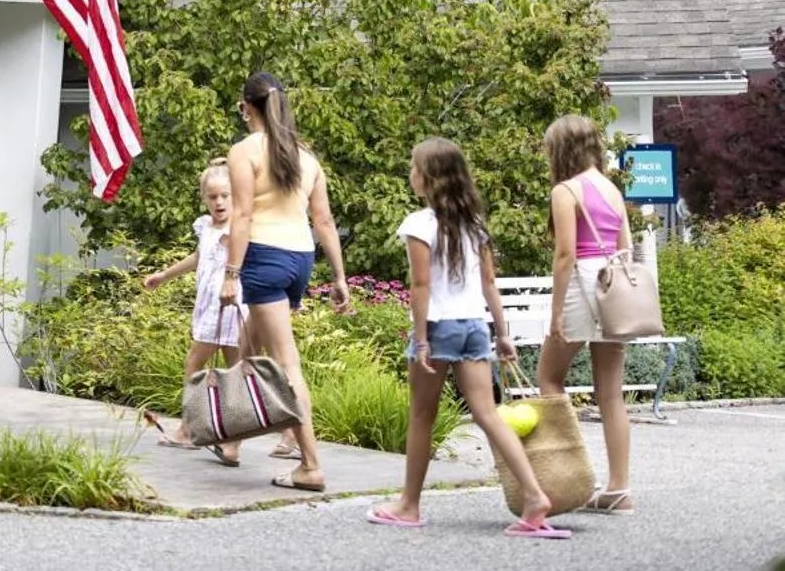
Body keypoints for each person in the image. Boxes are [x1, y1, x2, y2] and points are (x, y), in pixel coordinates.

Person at [369, 138, 568, 538]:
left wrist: (421, 339)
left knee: (422, 416)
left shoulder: (419, 225)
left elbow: (421, 286)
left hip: (440, 327)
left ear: (429, 178)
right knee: (487, 413)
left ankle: (409, 504)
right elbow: (489, 284)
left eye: (414, 167)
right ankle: (533, 496)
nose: (411, 174)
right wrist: (503, 334)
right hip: (474, 326)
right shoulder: (474, 226)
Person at [222, 71, 351, 492]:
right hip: (299, 259)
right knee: (247, 349)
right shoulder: (306, 157)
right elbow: (325, 221)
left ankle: (310, 465)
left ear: (247, 107)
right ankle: (231, 441)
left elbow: (241, 216)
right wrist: (339, 276)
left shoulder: (244, 152)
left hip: (264, 256)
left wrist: (230, 274)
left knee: (286, 363)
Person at [538, 113, 635, 514]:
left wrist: (556, 313)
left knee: (548, 378)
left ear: (561, 150)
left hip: (582, 283)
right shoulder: (611, 189)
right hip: (613, 285)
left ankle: (570, 479)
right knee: (611, 394)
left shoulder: (566, 190)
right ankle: (619, 489)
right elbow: (626, 246)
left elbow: (565, 255)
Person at [142, 158, 248, 463]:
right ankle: (230, 443)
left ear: (235, 195)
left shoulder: (238, 227)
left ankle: (190, 428)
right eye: (213, 196)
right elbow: (198, 258)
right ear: (204, 198)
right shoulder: (206, 226)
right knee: (232, 370)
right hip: (210, 305)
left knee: (197, 362)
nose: (219, 202)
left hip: (227, 303)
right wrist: (164, 275)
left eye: (225, 195)